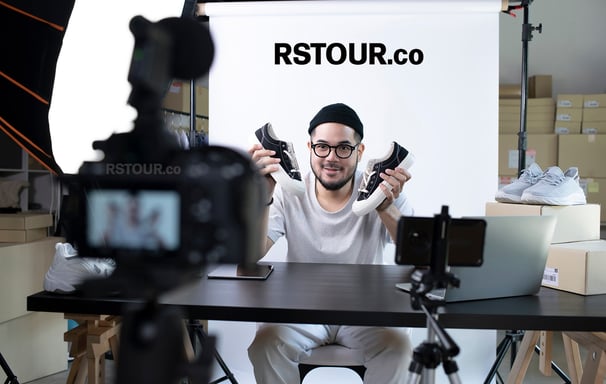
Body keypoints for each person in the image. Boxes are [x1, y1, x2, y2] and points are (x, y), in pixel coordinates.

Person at [248, 102, 414, 384]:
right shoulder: (290, 193)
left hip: (366, 313)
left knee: (398, 348)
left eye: (344, 148)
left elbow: (416, 256)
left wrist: (386, 208)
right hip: (302, 311)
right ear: (309, 147)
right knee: (266, 344)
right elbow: (251, 256)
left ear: (360, 151)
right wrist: (261, 195)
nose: (331, 157)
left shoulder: (383, 190)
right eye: (322, 146)